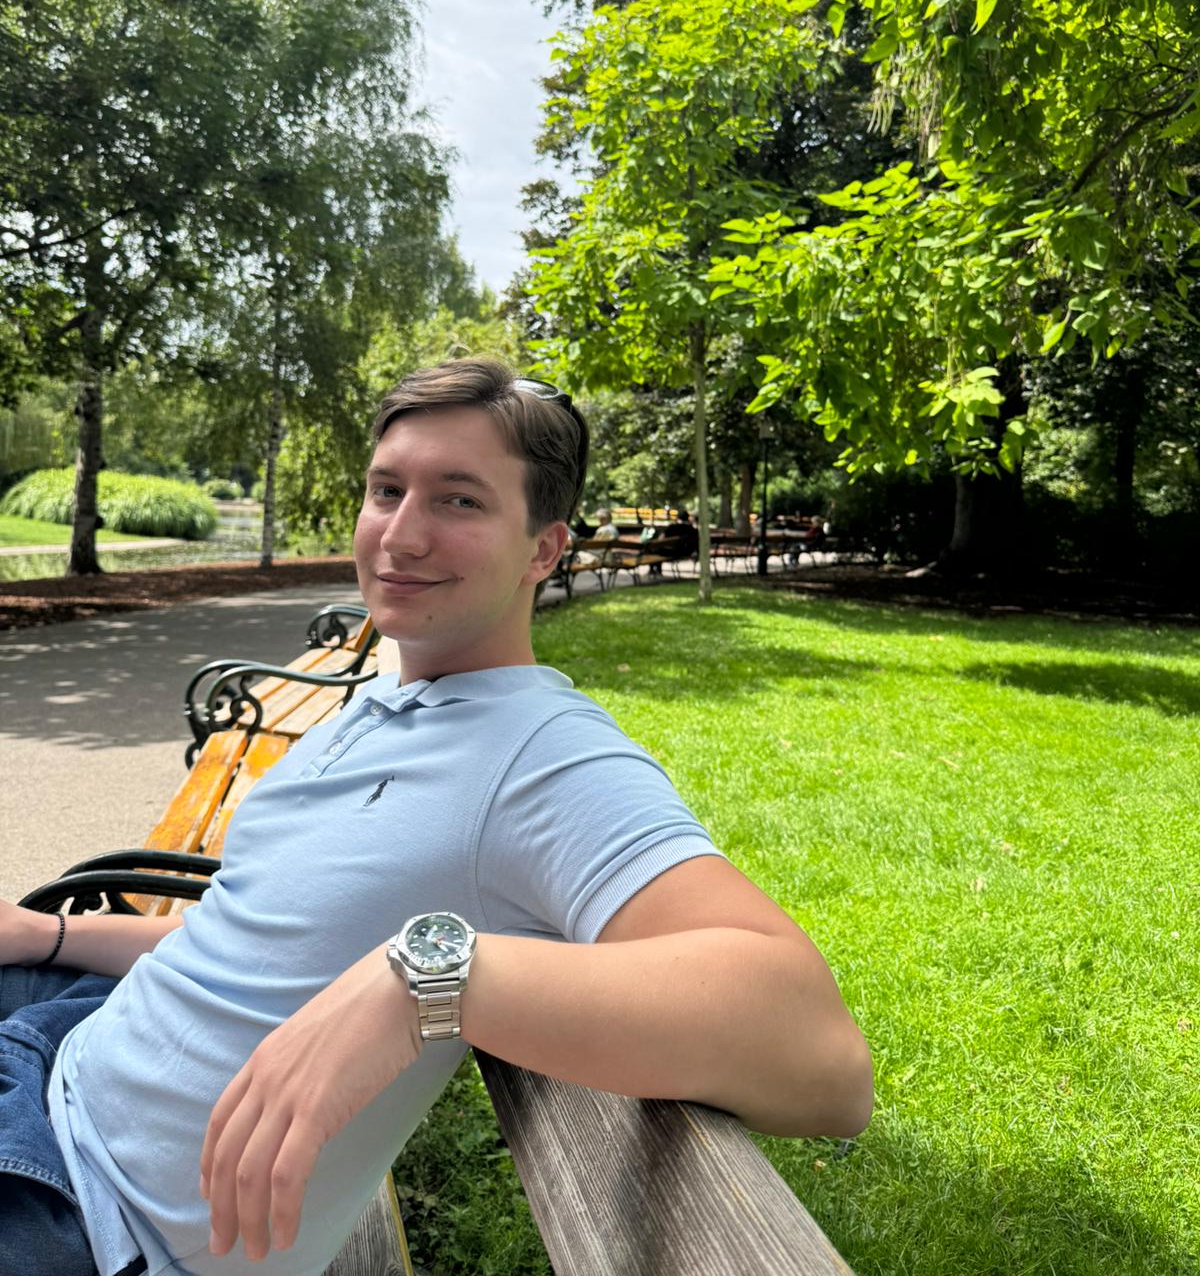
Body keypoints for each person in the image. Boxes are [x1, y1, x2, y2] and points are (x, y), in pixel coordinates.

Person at [0, 358, 872, 1276]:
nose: (400, 536)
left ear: (544, 550)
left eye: (459, 501)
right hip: (61, 1047)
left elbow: (824, 1058)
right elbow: (239, 940)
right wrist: (46, 933)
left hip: (78, 1209)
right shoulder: (387, 696)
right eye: (387, 491)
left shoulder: (543, 753)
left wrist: (428, 978)